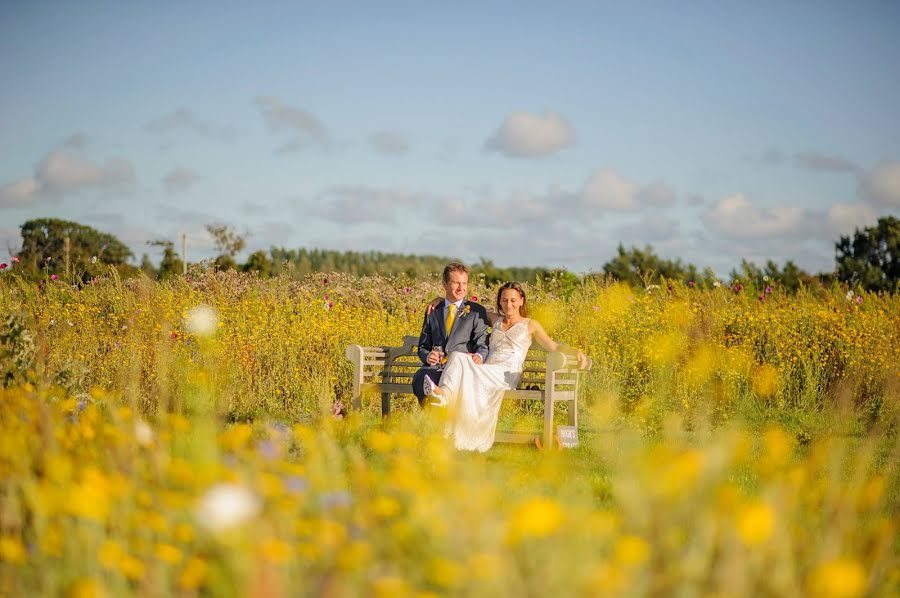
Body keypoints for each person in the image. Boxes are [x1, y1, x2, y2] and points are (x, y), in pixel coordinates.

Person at [423, 281, 588, 452]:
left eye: (513, 300)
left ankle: (445, 399)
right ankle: (444, 395)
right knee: (457, 356)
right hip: (488, 369)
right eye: (504, 300)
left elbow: (553, 346)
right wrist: (441, 300)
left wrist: (573, 351)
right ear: (500, 302)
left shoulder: (530, 324)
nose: (509, 304)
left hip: (506, 374)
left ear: (521, 301)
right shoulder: (495, 319)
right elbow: (465, 307)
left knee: (466, 367)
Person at [411, 263, 490, 406]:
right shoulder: (433, 310)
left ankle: (440, 422)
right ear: (445, 284)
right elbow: (423, 346)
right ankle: (434, 421)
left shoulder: (476, 312)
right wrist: (428, 356)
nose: (461, 288)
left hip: (462, 370)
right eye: (456, 283)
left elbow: (482, 344)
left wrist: (479, 357)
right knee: (420, 378)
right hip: (436, 368)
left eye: (464, 283)